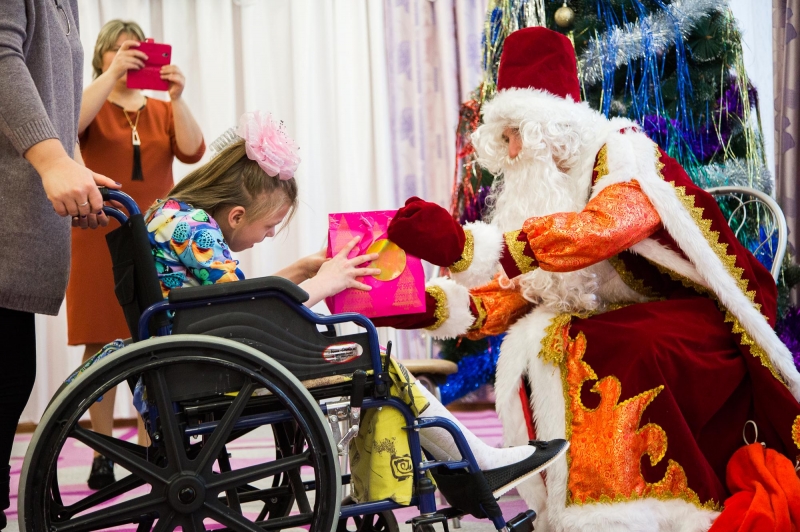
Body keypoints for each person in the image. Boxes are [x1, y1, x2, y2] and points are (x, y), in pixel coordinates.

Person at [379, 27, 800, 531]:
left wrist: (470, 248)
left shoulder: (620, 151)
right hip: (623, 314)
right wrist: (423, 305)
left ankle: (628, 512)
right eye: (505, 138)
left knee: (602, 345)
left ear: (548, 126)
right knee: (546, 336)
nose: (510, 153)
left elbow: (604, 229)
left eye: (514, 135)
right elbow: (520, 291)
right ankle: (570, 510)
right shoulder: (544, 189)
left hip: (694, 313)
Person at [81, 109, 568, 508]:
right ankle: (477, 463)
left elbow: (229, 299)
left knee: (368, 356)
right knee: (371, 356)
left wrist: (300, 270)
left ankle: (471, 464)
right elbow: (245, 311)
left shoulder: (172, 216)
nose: (269, 235)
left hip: (195, 360)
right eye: (269, 227)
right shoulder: (196, 230)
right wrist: (322, 283)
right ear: (237, 215)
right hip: (213, 367)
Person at [66, 19, 205, 490]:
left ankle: (153, 450)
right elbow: (68, 126)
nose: (131, 57)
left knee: (155, 341)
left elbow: (193, 151)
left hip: (155, 237)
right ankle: (102, 453)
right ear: (101, 55)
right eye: (119, 50)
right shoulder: (92, 102)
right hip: (96, 235)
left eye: (138, 50)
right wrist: (110, 76)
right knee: (99, 343)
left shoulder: (161, 109)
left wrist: (178, 97)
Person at [0, 0, 122, 528]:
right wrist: (52, 160)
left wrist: (74, 166)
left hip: (21, 231)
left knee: (12, 375)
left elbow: (57, 99)